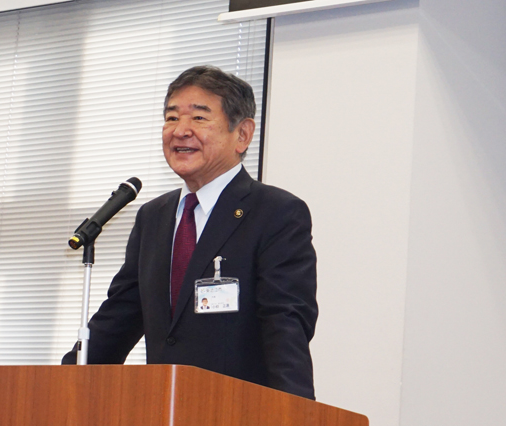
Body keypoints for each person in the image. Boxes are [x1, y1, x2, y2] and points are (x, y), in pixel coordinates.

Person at [62, 65, 318, 400]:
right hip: (163, 408)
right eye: (171, 118)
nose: (180, 131)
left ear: (242, 134)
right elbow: (116, 320)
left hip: (239, 410)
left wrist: (296, 410)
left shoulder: (275, 213)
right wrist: (59, 388)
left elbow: (285, 324)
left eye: (198, 118)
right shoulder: (153, 217)